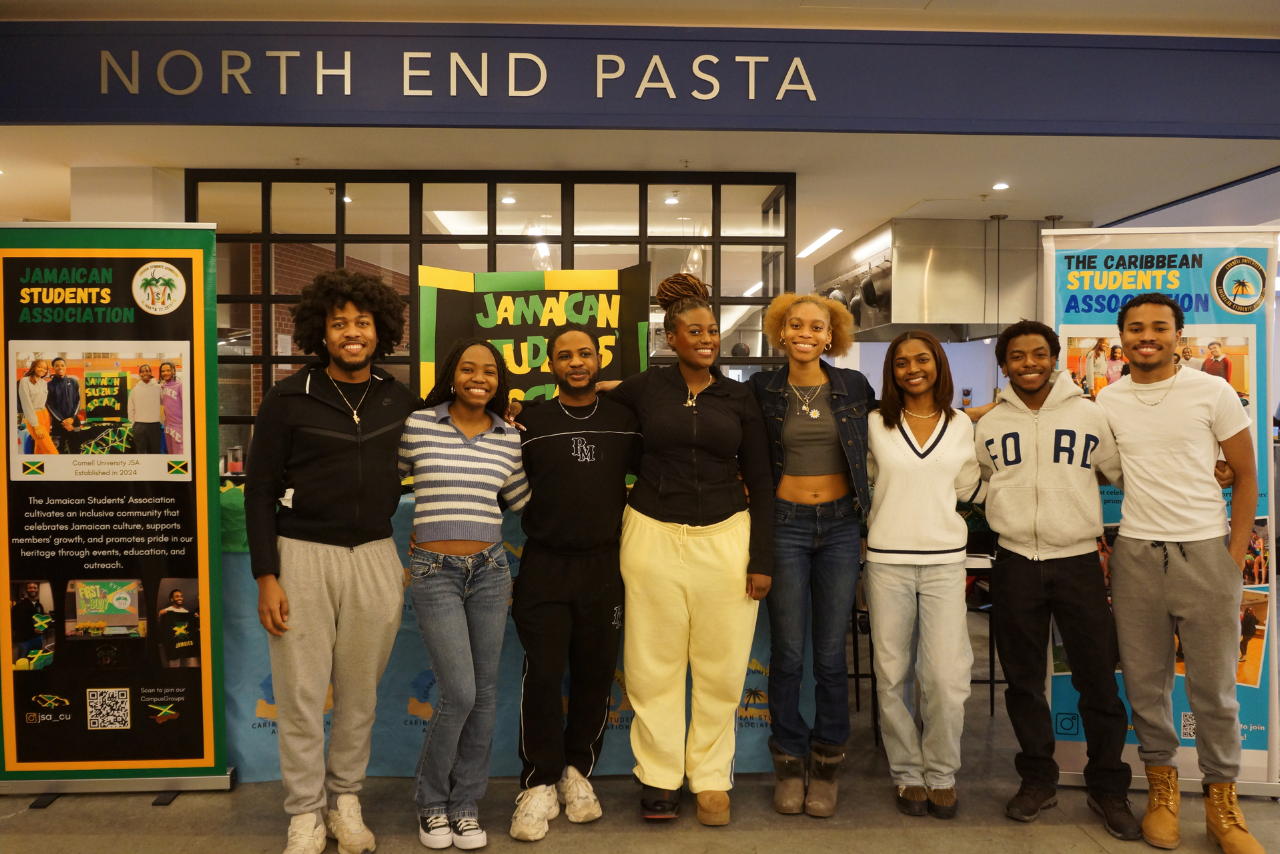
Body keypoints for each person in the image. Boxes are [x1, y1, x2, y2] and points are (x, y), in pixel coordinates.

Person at [245, 269, 420, 854]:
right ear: (320, 331)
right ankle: (304, 811)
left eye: (362, 322)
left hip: (374, 556)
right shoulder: (288, 397)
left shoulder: (398, 398)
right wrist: (267, 576)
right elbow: (259, 490)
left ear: (380, 330)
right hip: (301, 557)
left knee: (359, 695)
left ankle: (345, 800)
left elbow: (446, 450)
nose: (352, 332)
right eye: (340, 322)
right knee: (299, 695)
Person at [1096, 293, 1261, 853]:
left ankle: (1223, 802)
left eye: (1159, 327)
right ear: (1122, 338)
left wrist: (1233, 558)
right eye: (1136, 328)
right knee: (1146, 686)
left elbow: (1244, 476)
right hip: (1137, 554)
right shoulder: (1108, 399)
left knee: (1215, 689)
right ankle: (1162, 791)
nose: (1147, 336)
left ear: (1177, 336)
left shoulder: (1212, 392)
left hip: (1206, 553)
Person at [608, 273, 773, 826]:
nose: (706, 339)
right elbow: (594, 405)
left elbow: (761, 479)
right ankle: (658, 776)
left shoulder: (738, 396)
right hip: (652, 534)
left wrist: (763, 558)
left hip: (725, 537)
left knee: (721, 668)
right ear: (671, 337)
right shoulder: (644, 388)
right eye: (694, 331)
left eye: (712, 330)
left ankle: (710, 777)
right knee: (651, 665)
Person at [973, 320, 1139, 840]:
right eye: (1017, 356)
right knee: (1023, 681)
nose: (1029, 363)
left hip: (1077, 561)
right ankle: (1037, 779)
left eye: (1038, 354)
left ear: (1054, 357)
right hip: (1014, 561)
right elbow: (979, 481)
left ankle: (1107, 786)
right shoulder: (990, 423)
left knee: (1097, 678)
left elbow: (1119, 472)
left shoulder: (1090, 415)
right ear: (1004, 364)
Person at [507, 324, 641, 842]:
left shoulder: (625, 419)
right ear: (551, 365)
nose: (577, 362)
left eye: (585, 353)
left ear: (599, 358)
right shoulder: (530, 421)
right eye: (565, 356)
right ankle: (538, 782)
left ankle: (577, 772)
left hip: (604, 565)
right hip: (545, 564)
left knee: (595, 672)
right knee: (542, 674)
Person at [399, 338, 530, 851]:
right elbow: (377, 486)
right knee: (460, 693)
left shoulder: (508, 437)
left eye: (489, 371)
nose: (479, 378)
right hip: (435, 572)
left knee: (486, 694)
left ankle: (465, 805)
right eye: (469, 369)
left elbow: (525, 501)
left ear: (499, 381)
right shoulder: (419, 425)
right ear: (452, 375)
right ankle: (431, 801)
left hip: (491, 571)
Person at [747, 293, 872, 818]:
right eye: (795, 325)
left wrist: (977, 412)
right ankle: (788, 760)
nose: (805, 333)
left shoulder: (853, 386)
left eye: (817, 327)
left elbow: (904, 419)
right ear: (781, 332)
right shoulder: (761, 389)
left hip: (841, 527)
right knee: (790, 653)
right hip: (785, 526)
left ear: (831, 335)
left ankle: (826, 762)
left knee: (830, 654)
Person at [864, 329, 982, 820]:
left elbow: (970, 489)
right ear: (891, 372)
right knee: (892, 673)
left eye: (922, 359)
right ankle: (908, 772)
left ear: (938, 365)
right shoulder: (874, 423)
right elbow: (864, 483)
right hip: (886, 559)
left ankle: (942, 773)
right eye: (901, 362)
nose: (912, 369)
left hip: (944, 560)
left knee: (946, 676)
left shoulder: (961, 424)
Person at [17, 358, 57, 455]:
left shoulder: (43, 383)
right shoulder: (24, 381)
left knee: (40, 448)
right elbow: (26, 404)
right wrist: (35, 425)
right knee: (51, 450)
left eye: (44, 368)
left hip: (45, 414)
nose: (42, 370)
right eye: (39, 367)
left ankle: (40, 463)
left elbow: (44, 402)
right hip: (33, 415)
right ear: (34, 367)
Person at [46, 357, 81, 454]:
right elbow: (49, 405)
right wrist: (63, 421)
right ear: (53, 368)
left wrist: (72, 418)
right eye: (57, 366)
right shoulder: (49, 385)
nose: (60, 367)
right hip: (58, 425)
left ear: (66, 367)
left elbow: (78, 401)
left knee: (76, 451)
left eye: (62, 365)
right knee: (59, 452)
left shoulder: (73, 382)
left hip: (74, 423)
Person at [157, 588, 199, 668]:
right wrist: (160, 615)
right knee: (174, 666)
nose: (180, 598)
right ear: (171, 599)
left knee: (189, 664)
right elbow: (160, 627)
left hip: (186, 646)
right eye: (177, 596)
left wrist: (195, 617)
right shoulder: (166, 611)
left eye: (181, 596)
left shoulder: (186, 612)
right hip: (173, 647)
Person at [127, 363, 163, 454]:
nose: (145, 373)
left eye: (147, 371)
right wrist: (133, 424)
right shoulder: (135, 390)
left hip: (154, 425)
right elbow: (130, 408)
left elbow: (164, 402)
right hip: (139, 425)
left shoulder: (158, 387)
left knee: (155, 451)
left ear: (151, 372)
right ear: (140, 374)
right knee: (141, 452)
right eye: (142, 371)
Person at [11, 581, 49, 662]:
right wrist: (32, 629)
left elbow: (41, 620)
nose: (33, 589)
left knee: (36, 661)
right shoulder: (19, 605)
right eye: (30, 588)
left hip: (37, 638)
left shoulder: (39, 605)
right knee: (23, 663)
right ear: (26, 590)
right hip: (24, 640)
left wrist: (44, 625)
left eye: (35, 588)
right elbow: (15, 624)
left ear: (37, 590)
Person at [159, 361, 183, 454]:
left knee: (179, 454)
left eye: (168, 370)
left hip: (179, 427)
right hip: (168, 426)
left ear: (173, 371)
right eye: (163, 371)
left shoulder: (180, 385)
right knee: (171, 453)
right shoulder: (163, 387)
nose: (165, 373)